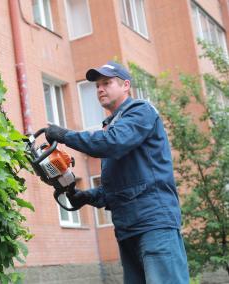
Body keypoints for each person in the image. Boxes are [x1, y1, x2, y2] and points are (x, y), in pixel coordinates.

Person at [44, 61, 190, 284]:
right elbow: (118, 187)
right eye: (96, 86)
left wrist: (65, 135)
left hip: (154, 224)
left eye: (106, 83)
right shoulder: (111, 126)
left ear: (126, 86)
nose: (100, 89)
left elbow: (112, 143)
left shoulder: (141, 111)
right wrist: (87, 197)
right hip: (127, 229)